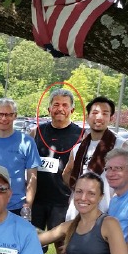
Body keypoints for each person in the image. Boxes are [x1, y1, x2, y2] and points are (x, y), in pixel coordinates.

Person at [36, 96, 125, 254]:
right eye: (94, 112)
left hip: (101, 223)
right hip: (74, 219)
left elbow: (127, 182)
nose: (99, 117)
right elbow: (68, 174)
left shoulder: (119, 145)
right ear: (87, 116)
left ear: (111, 117)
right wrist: (79, 194)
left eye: (104, 113)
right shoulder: (80, 146)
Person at [30, 89, 83, 242]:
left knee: (63, 245)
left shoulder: (81, 135)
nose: (60, 108)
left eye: (65, 105)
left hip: (63, 201)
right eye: (56, 104)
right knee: (33, 244)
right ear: (49, 109)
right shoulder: (36, 133)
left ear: (72, 110)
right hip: (37, 200)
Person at [0, 98, 40, 217]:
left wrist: (28, 204)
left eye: (8, 114)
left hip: (17, 206)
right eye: (0, 114)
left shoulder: (27, 142)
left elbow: (32, 177)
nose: (4, 118)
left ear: (15, 116)